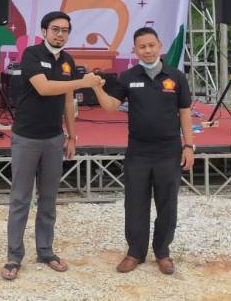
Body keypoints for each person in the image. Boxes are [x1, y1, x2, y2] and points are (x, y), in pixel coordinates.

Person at [1, 11, 103, 281]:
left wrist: (72, 137)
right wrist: (85, 81)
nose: (60, 34)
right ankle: (14, 256)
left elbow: (68, 99)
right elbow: (44, 88)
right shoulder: (32, 54)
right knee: (20, 199)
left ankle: (45, 251)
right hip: (26, 138)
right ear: (44, 31)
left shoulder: (68, 61)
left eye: (65, 30)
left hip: (54, 139)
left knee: (48, 199)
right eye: (55, 29)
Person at [92, 26, 194, 275]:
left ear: (159, 46)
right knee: (135, 203)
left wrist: (189, 146)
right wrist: (96, 87)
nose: (147, 50)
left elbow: (185, 113)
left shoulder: (176, 77)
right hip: (138, 152)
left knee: (167, 204)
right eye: (142, 47)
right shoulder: (128, 77)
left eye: (151, 45)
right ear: (135, 50)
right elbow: (110, 106)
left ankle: (162, 252)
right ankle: (135, 252)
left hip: (169, 151)